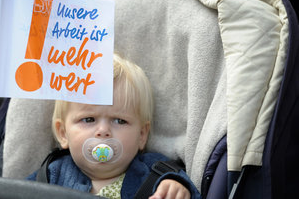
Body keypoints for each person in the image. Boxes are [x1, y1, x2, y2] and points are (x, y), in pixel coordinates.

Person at [28, 54, 201, 199]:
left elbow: (186, 188)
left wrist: (177, 187)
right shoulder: (51, 175)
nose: (103, 131)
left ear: (141, 135)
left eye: (119, 121)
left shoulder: (155, 174)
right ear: (63, 133)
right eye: (88, 119)